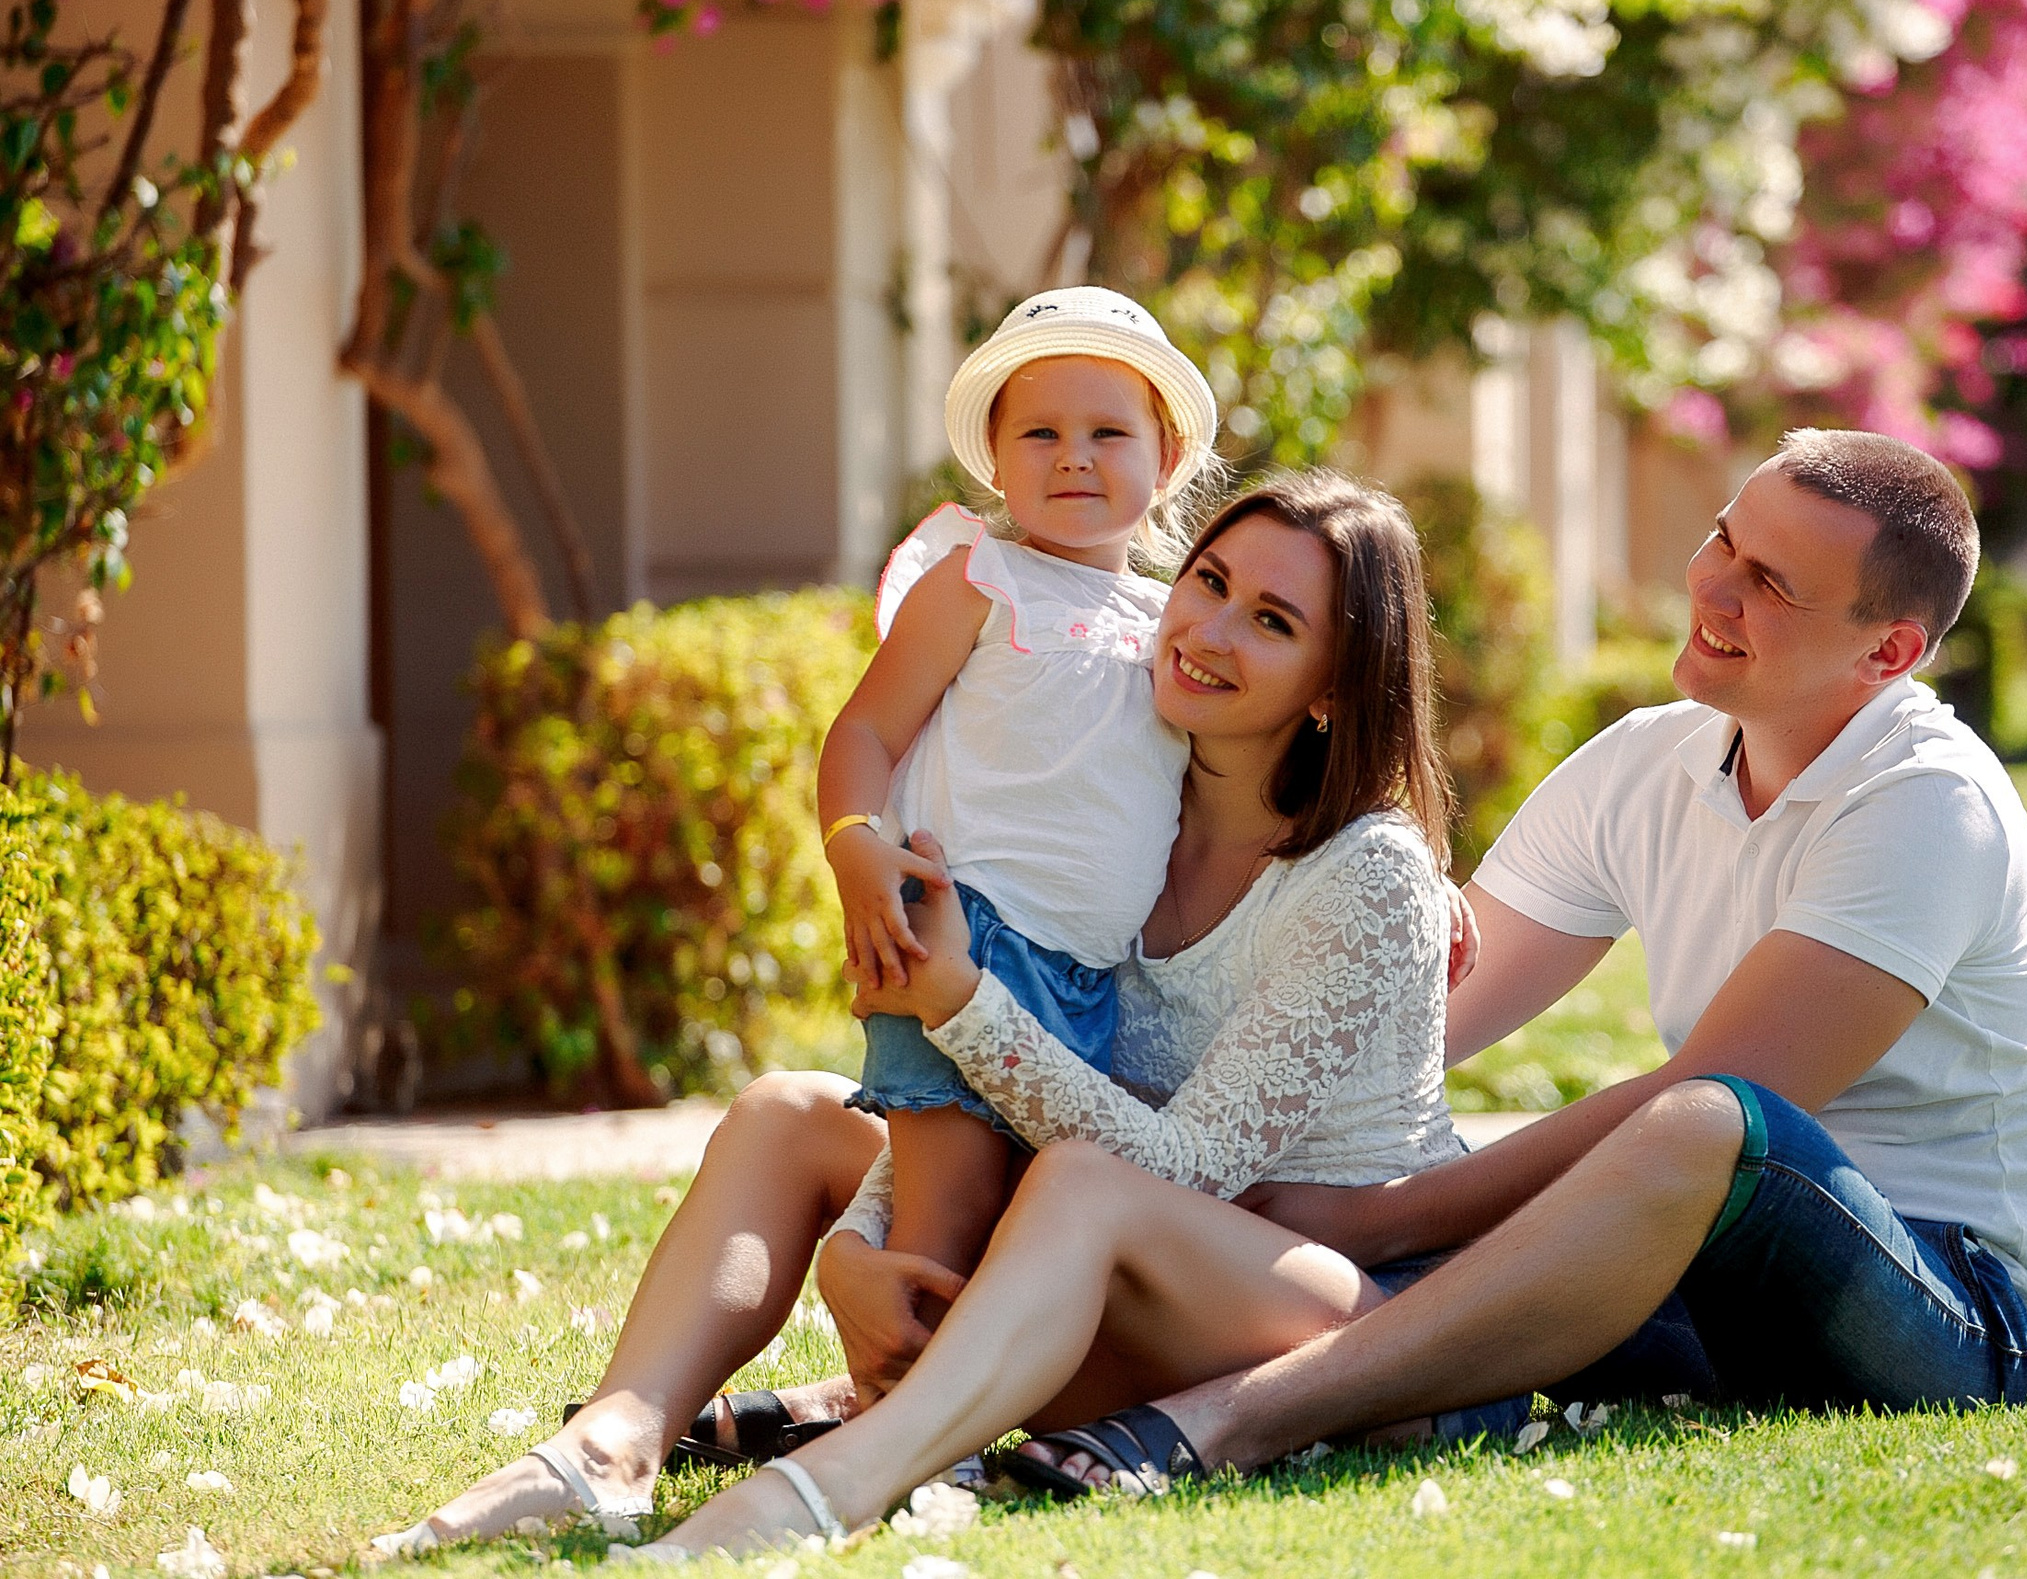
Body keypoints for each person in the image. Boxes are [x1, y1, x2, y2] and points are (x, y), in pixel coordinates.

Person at [375, 473, 1485, 1554]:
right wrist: (859, 1246)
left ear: (1337, 685)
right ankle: (608, 1447)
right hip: (1098, 1265)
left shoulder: (1363, 875)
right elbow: (1023, 1087)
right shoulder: (1134, 807)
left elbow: (1182, 1169)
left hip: (1320, 1323)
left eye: (1273, 620)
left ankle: (831, 1484)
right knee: (787, 1113)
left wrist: (959, 1005)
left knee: (1083, 1182)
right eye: (1207, 581)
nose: (1207, 630)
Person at [1010, 428, 2027, 1493]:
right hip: (1703, 1277)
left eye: (1771, 585)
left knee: (1701, 1122)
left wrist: (1381, 1217)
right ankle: (955, 1393)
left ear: (1887, 653)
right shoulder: (1650, 760)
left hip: (1968, 1312)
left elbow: (1732, 1109)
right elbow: (1422, 1024)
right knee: (1383, 1232)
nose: (1714, 587)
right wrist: (1380, 915)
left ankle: (1231, 1419)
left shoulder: (1927, 802)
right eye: (1725, 538)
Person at [817, 285, 1221, 1287]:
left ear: (1166, 462)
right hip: (966, 933)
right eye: (1039, 432)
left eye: (1107, 433)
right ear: (994, 460)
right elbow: (867, 725)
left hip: (1095, 982)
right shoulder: (980, 578)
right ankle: (898, 1433)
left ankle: (931, 1406)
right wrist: (853, 840)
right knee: (943, 1228)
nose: (1072, 455)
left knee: (1024, 1231)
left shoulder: (1181, 617)